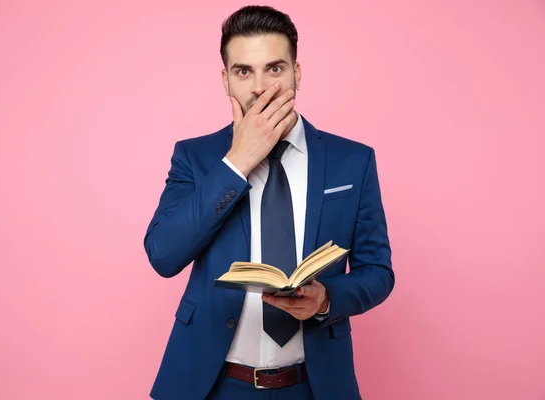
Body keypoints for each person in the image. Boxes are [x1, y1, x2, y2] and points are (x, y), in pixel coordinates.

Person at [144, 5, 394, 399]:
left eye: (275, 69)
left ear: (297, 72)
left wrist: (327, 299)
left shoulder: (354, 161)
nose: (260, 87)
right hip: (212, 385)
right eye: (244, 72)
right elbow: (162, 254)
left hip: (313, 386)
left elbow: (378, 272)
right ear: (226, 81)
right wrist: (238, 161)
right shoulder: (196, 157)